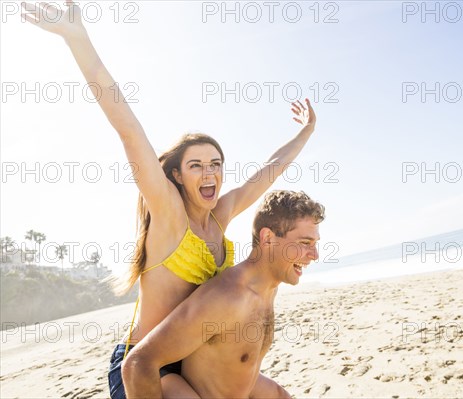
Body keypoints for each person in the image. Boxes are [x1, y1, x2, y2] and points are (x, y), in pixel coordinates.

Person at [21, 2, 317, 397]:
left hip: (191, 358)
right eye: (196, 165)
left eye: (216, 163)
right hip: (144, 366)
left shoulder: (219, 217)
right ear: (176, 175)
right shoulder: (168, 215)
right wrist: (79, 39)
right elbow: (127, 128)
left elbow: (269, 170)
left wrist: (306, 133)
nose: (209, 172)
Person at [122, 190, 325, 398]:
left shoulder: (268, 287)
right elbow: (138, 363)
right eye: (305, 243)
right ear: (268, 238)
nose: (315, 255)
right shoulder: (227, 296)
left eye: (315, 244)